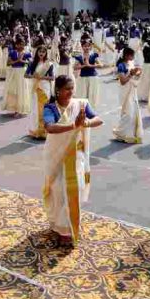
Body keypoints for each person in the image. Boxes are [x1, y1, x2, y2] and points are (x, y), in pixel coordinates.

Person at [42, 75, 104, 243]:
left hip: (76, 156)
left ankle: (66, 229)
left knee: (73, 189)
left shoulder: (80, 104)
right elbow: (50, 128)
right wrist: (73, 126)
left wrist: (86, 124)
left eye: (72, 88)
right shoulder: (50, 107)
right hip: (57, 156)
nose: (71, 92)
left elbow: (99, 119)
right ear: (58, 90)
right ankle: (58, 224)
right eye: (67, 89)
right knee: (58, 191)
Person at [112, 47, 143, 143]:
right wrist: (131, 74)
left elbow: (134, 76)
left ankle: (128, 135)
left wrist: (138, 73)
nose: (133, 57)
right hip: (126, 91)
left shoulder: (131, 63)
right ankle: (120, 132)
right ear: (126, 55)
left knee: (133, 113)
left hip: (132, 91)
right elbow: (122, 81)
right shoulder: (121, 66)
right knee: (128, 113)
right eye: (131, 55)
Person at [25, 45, 56, 139]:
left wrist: (41, 77)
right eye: (40, 51)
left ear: (46, 53)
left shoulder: (48, 64)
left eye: (43, 52)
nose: (41, 53)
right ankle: (36, 130)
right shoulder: (32, 63)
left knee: (44, 109)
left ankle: (44, 131)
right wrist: (33, 76)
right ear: (37, 52)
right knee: (35, 109)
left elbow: (52, 77)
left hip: (45, 88)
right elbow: (26, 75)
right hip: (36, 88)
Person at [73, 37, 105, 108]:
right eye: (85, 46)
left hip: (93, 78)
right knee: (82, 96)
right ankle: (83, 112)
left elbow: (101, 65)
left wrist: (90, 65)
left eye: (88, 46)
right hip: (83, 78)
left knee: (92, 96)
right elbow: (74, 67)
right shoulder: (79, 55)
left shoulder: (93, 55)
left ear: (90, 46)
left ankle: (90, 111)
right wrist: (84, 65)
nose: (87, 47)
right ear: (82, 46)